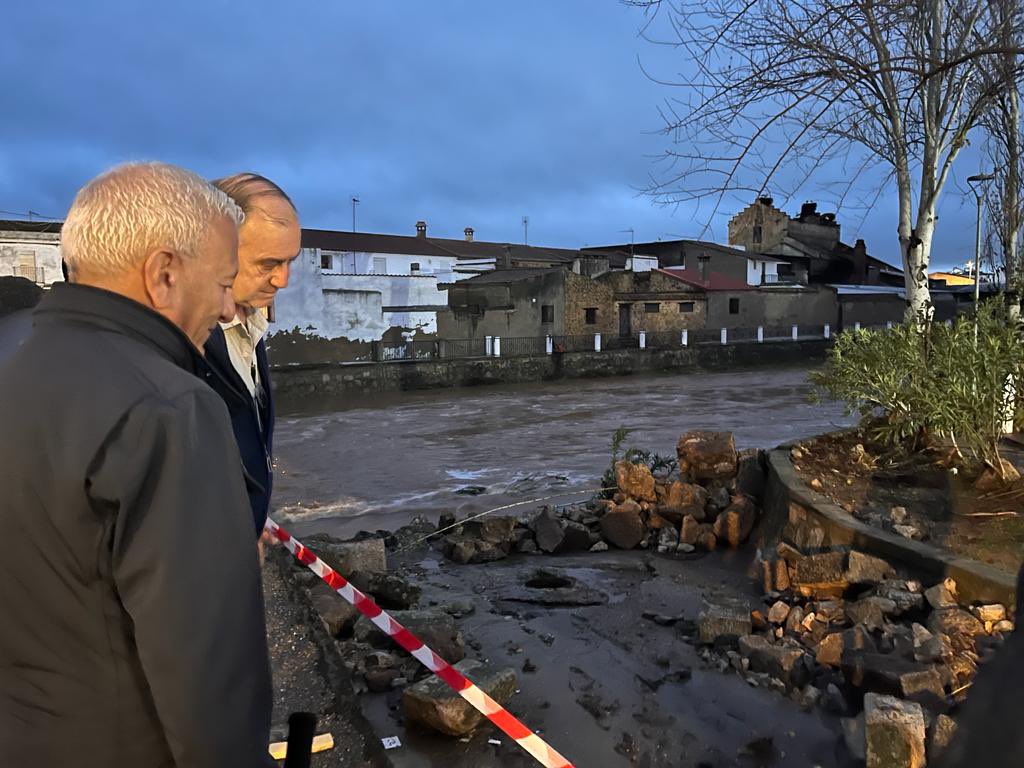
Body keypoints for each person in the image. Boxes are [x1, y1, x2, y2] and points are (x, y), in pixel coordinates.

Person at [0, 162, 275, 768]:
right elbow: (210, 677)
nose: (231, 308)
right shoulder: (168, 407)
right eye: (224, 282)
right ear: (164, 274)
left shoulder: (14, 352)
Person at [202, 172, 300, 537]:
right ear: (214, 251)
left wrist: (250, 523)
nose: (283, 280)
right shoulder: (181, 343)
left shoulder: (251, 324)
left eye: (291, 261)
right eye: (268, 264)